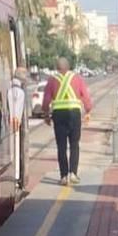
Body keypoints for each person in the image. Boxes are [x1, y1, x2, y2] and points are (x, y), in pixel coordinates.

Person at [40, 57, 92, 185]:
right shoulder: (77, 78)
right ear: (68, 66)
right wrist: (88, 111)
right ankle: (73, 174)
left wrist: (46, 114)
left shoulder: (52, 80)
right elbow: (85, 95)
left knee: (61, 146)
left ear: (57, 67)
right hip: (74, 114)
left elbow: (46, 100)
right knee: (74, 144)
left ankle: (63, 176)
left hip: (59, 116)